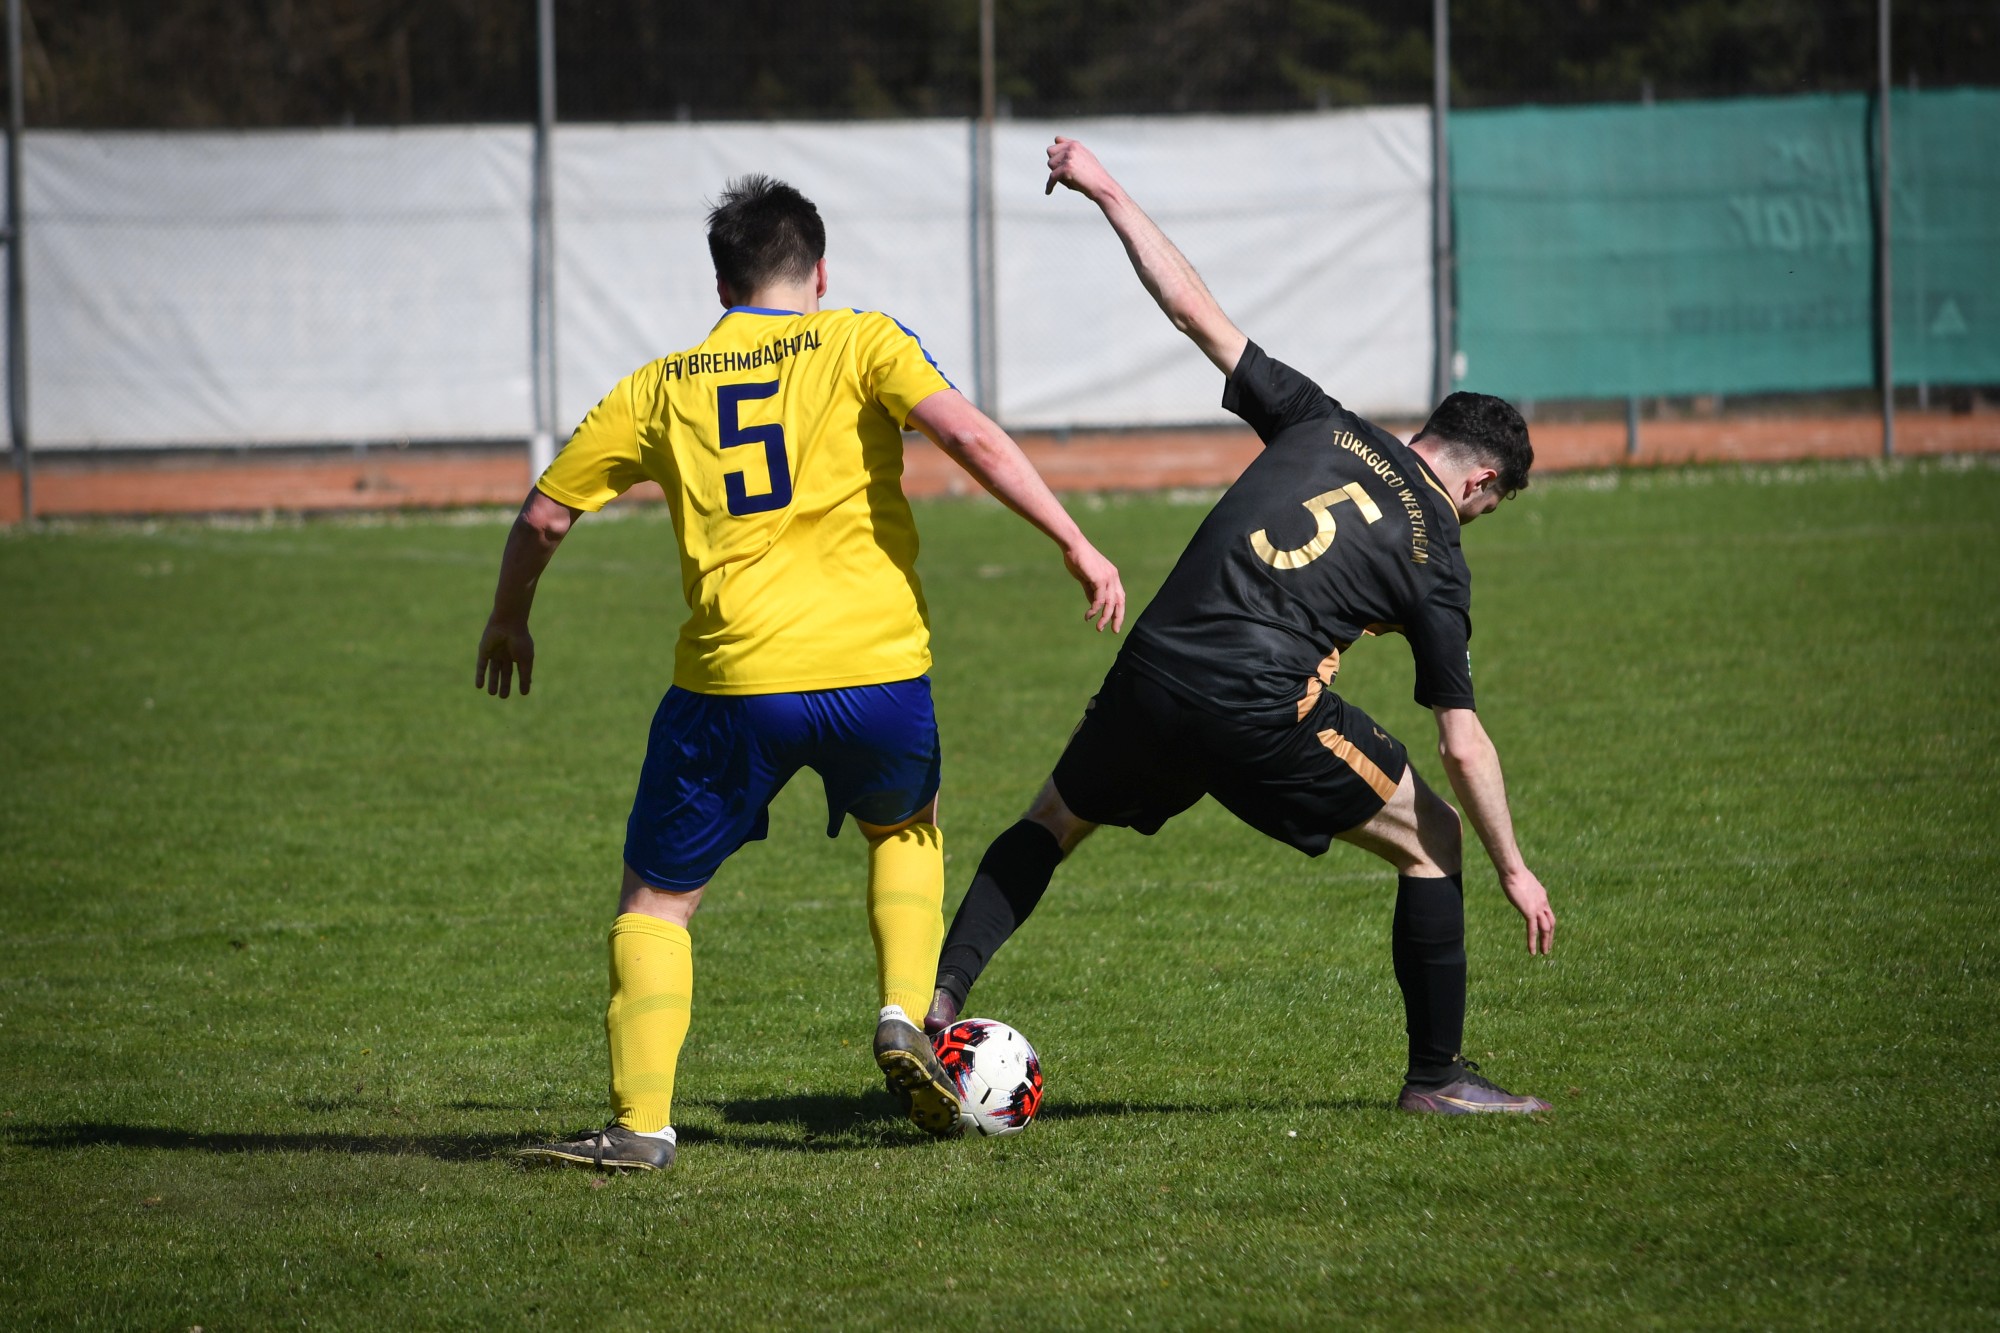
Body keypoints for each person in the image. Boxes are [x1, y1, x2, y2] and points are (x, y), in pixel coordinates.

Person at [476, 174, 1125, 1170]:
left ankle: (641, 1124)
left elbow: (544, 515)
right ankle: (903, 1013)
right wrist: (1075, 542)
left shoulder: (659, 385)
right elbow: (970, 436)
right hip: (878, 672)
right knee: (907, 824)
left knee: (657, 903)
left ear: (722, 279)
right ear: (818, 271)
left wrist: (509, 617)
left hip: (734, 681)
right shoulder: (863, 337)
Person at [924, 138, 1556, 1115]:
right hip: (1256, 705)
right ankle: (1436, 1078)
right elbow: (1461, 743)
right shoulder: (1436, 551)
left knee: (1049, 822)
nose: (1478, 516)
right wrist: (1513, 867)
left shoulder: (1320, 422)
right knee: (1431, 837)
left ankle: (936, 1009)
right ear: (1477, 479)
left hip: (1153, 668)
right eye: (1489, 504)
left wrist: (1102, 187)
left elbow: (1191, 311)